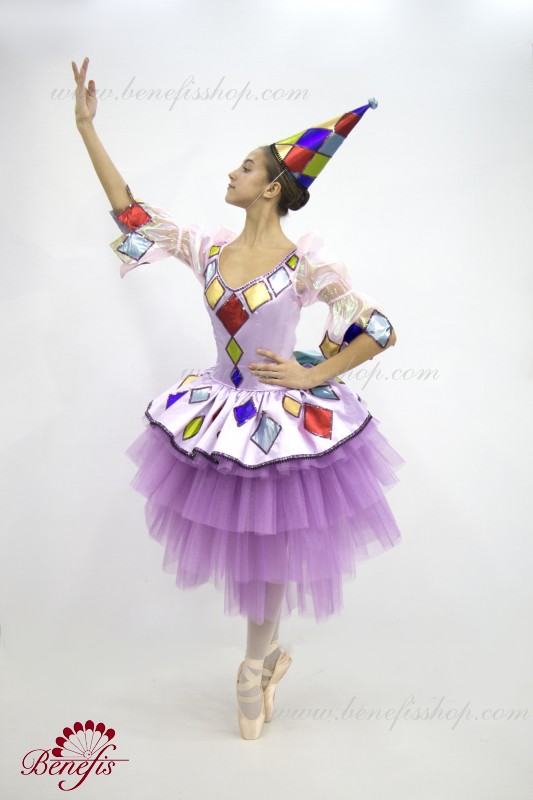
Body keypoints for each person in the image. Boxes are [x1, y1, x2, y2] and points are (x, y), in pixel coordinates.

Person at [72, 56, 406, 740]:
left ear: (272, 188)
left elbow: (379, 330)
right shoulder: (208, 248)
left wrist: (315, 373)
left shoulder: (305, 263)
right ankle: (265, 660)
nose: (232, 173)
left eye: (246, 167)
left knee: (270, 547)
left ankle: (253, 668)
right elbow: (132, 212)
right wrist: (87, 129)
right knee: (259, 549)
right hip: (221, 412)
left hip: (277, 419)